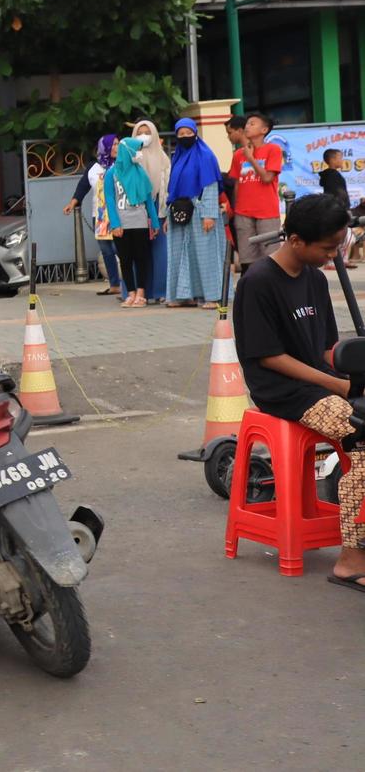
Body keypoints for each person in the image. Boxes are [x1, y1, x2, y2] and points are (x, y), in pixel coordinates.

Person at [232, 194, 365, 593]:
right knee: (360, 433)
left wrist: (352, 372)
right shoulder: (257, 283)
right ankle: (350, 560)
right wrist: (339, 386)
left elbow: (326, 349)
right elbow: (270, 357)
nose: (333, 255)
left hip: (321, 382)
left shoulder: (315, 279)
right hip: (283, 392)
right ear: (295, 240)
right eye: (327, 248)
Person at [165, 118, 225, 308]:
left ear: (195, 133)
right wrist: (168, 214)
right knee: (181, 253)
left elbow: (210, 186)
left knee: (205, 253)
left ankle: (213, 297)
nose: (185, 137)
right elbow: (172, 188)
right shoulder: (177, 157)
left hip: (200, 210)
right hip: (180, 211)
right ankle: (185, 295)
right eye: (180, 134)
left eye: (188, 133)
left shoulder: (205, 156)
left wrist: (209, 214)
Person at [104, 137, 162, 308]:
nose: (138, 154)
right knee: (125, 260)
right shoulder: (111, 174)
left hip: (140, 222)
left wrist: (155, 223)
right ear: (126, 151)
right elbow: (109, 199)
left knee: (141, 258)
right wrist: (115, 224)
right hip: (121, 224)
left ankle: (142, 293)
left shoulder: (140, 173)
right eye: (135, 150)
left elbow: (148, 200)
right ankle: (130, 292)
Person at [65, 134, 125, 297]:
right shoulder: (94, 168)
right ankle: (114, 285)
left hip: (120, 214)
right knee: (106, 251)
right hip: (100, 216)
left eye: (118, 144)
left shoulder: (123, 165)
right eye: (112, 145)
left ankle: (132, 283)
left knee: (120, 248)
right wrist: (73, 203)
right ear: (103, 148)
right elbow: (82, 187)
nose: (116, 147)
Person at [229, 111, 284, 275]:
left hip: (266, 211)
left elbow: (267, 178)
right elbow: (237, 183)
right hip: (243, 212)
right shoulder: (238, 155)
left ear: (264, 130)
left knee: (270, 256)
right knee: (247, 258)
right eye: (247, 123)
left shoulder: (273, 150)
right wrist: (235, 208)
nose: (247, 126)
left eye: (252, 123)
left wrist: (251, 159)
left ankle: (272, 293)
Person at [133, 119, 171, 303]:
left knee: (160, 250)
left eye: (148, 132)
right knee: (138, 250)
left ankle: (161, 290)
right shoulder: (131, 156)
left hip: (158, 206)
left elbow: (167, 185)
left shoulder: (163, 157)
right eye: (140, 132)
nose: (144, 136)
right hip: (135, 207)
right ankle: (138, 292)